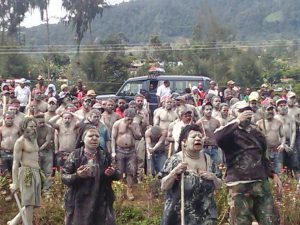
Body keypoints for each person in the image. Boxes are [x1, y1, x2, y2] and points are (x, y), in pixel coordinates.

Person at [215, 101, 281, 225]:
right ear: (232, 112)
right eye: (241, 111)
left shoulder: (257, 132)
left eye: (247, 110)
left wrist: (273, 174)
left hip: (260, 182)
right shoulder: (228, 131)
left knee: (271, 220)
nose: (245, 113)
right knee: (241, 221)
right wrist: (237, 121)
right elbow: (218, 138)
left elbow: (262, 156)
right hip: (238, 184)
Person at [160, 124, 221, 225]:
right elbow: (164, 186)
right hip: (179, 216)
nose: (198, 139)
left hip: (206, 216)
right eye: (193, 137)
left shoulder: (209, 160)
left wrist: (214, 178)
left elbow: (219, 185)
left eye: (200, 137)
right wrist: (174, 172)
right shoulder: (176, 160)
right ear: (184, 142)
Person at [62, 127, 120, 225]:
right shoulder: (75, 155)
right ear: (83, 139)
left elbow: (118, 174)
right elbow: (64, 177)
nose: (94, 138)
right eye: (90, 136)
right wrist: (77, 176)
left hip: (102, 201)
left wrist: (112, 173)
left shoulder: (105, 155)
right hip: (79, 202)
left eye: (97, 136)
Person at [8, 117, 41, 225]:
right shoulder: (20, 142)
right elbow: (15, 163)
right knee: (29, 203)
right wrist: (15, 182)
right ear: (24, 127)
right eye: (31, 126)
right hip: (26, 172)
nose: (34, 129)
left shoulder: (34, 139)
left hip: (36, 172)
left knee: (33, 203)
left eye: (35, 126)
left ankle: (14, 221)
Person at [111, 108, 142, 200]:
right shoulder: (117, 123)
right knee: (119, 171)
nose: (129, 121)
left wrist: (132, 128)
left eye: (131, 119)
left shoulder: (135, 125)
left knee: (131, 171)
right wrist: (113, 152)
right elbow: (113, 138)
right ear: (124, 116)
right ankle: (120, 190)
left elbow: (139, 136)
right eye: (128, 119)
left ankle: (129, 190)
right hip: (120, 150)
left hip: (131, 151)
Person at [256, 105, 285, 173]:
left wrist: (282, 144)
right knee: (267, 171)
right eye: (268, 110)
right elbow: (256, 138)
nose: (270, 111)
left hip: (277, 151)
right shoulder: (259, 123)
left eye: (271, 110)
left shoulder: (278, 122)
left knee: (279, 171)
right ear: (263, 111)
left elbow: (283, 136)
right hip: (265, 151)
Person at [35, 114, 54, 190]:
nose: (42, 124)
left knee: (48, 171)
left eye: (43, 122)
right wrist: (36, 151)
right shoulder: (33, 129)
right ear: (36, 122)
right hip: (35, 151)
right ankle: (38, 188)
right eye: (40, 123)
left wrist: (40, 149)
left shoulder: (48, 128)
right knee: (37, 171)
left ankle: (47, 189)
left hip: (47, 151)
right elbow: (33, 140)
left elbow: (47, 141)